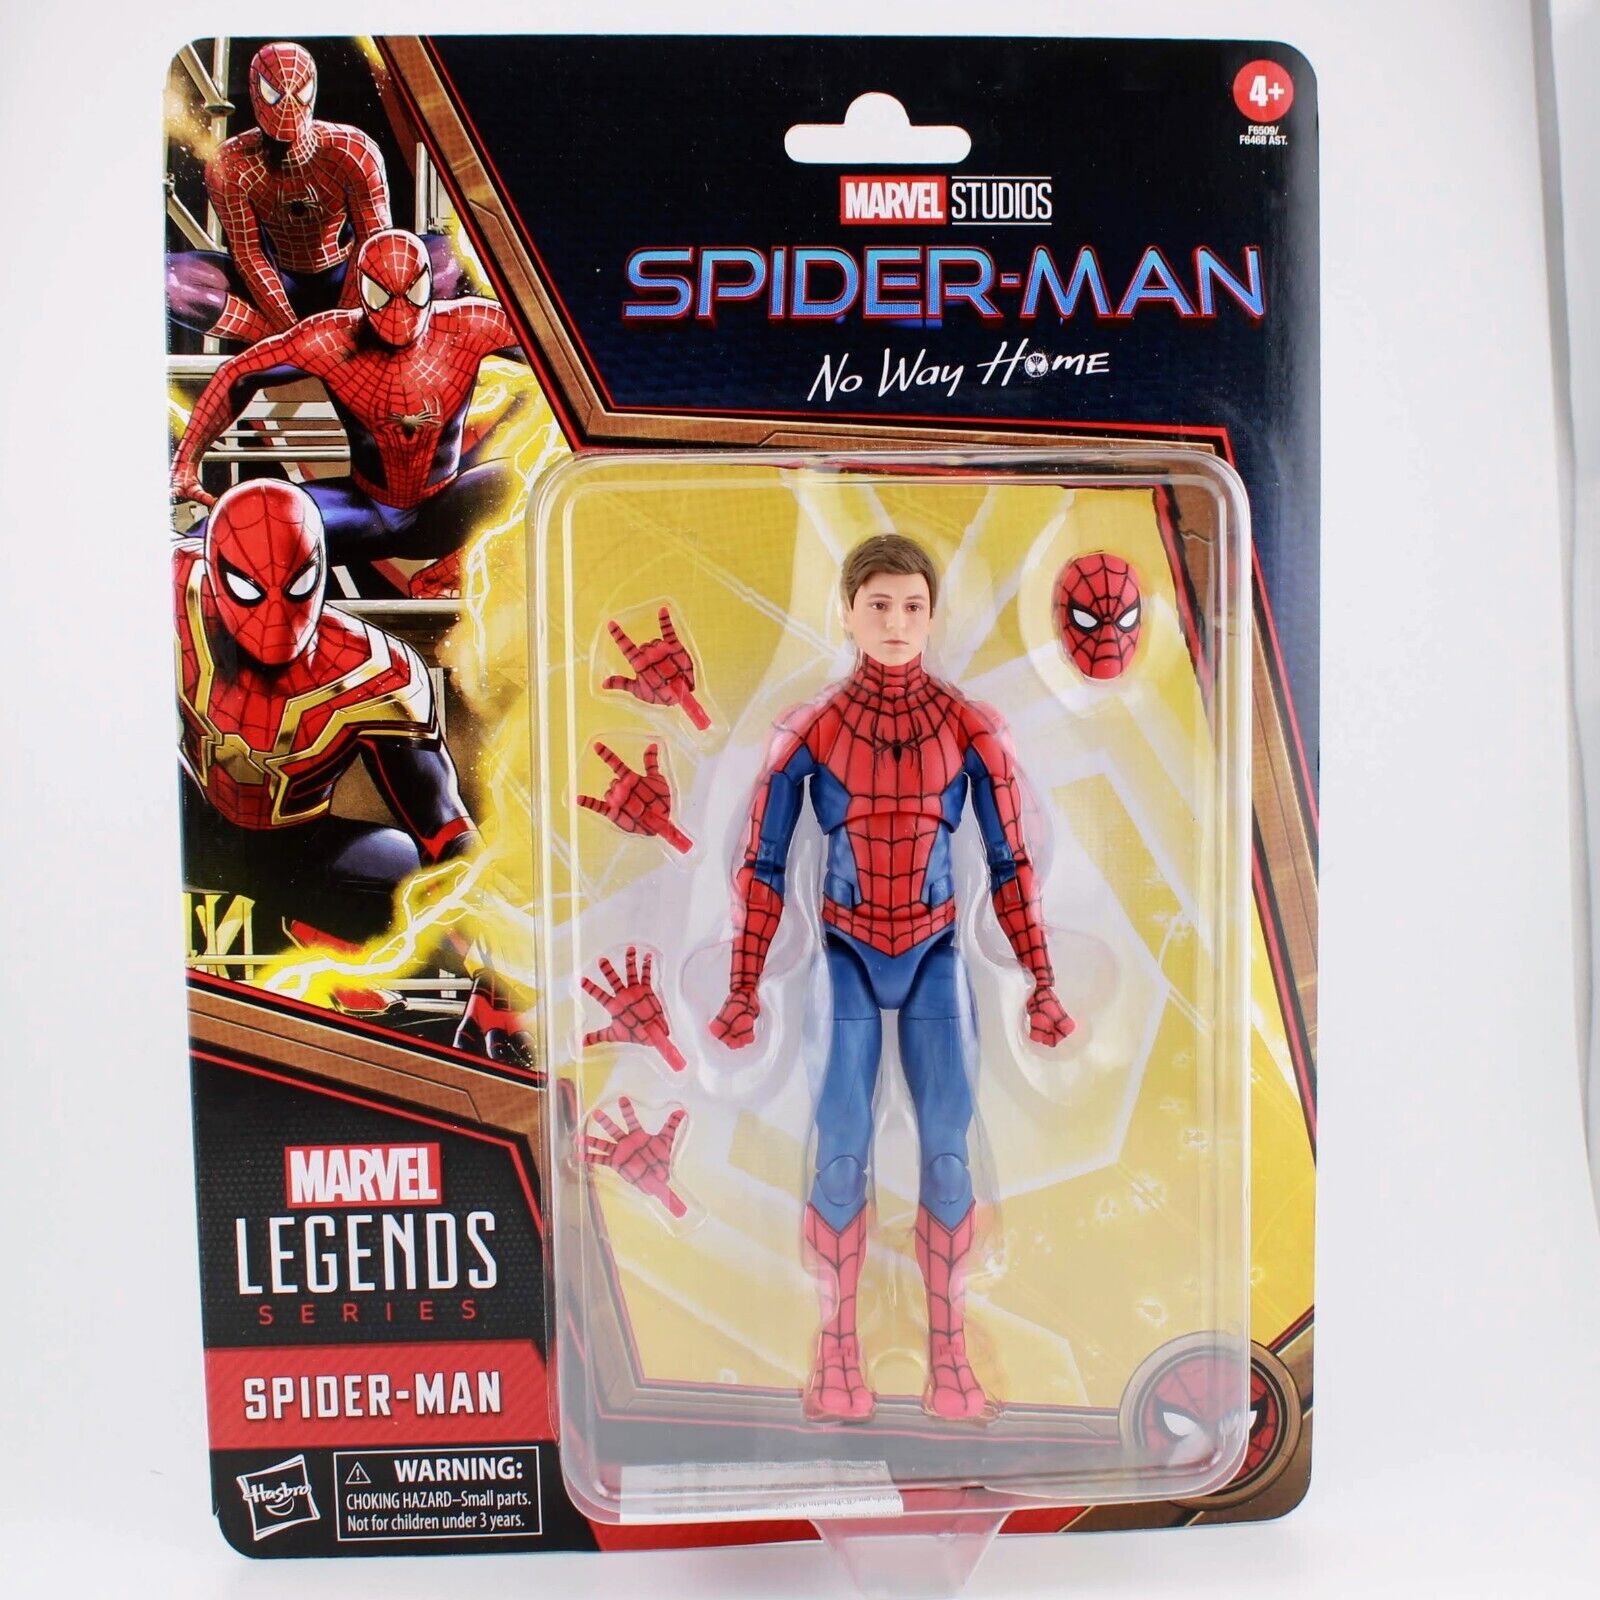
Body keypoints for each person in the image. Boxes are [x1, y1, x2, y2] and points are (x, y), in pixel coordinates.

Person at [712, 533, 1075, 1423]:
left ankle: (951, 1358)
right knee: (841, 1154)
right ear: (846, 612)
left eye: (913, 606)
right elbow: (762, 866)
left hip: (937, 955)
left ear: (933, 615)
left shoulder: (971, 727)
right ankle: (837, 1353)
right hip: (841, 955)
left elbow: (1010, 863)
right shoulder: (809, 729)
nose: (897, 622)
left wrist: (1042, 980)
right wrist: (743, 986)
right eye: (878, 605)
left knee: (948, 1158)